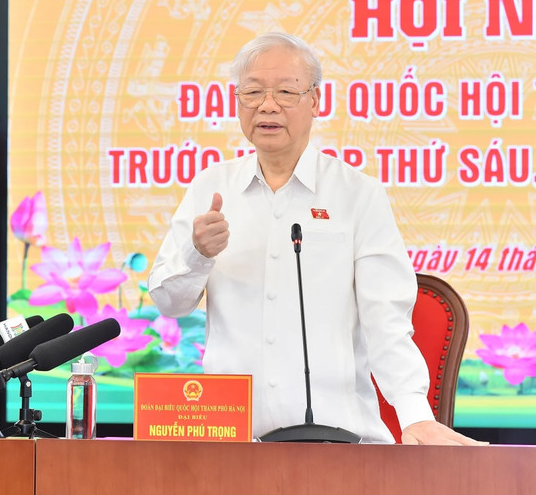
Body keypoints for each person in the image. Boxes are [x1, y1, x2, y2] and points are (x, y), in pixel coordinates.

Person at [148, 32, 481, 445]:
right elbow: (169, 304)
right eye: (252, 92)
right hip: (232, 445)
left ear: (315, 101)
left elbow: (386, 322)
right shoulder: (210, 188)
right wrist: (198, 255)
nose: (267, 105)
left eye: (286, 91)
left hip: (338, 442)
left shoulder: (357, 195)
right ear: (237, 102)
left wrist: (414, 416)